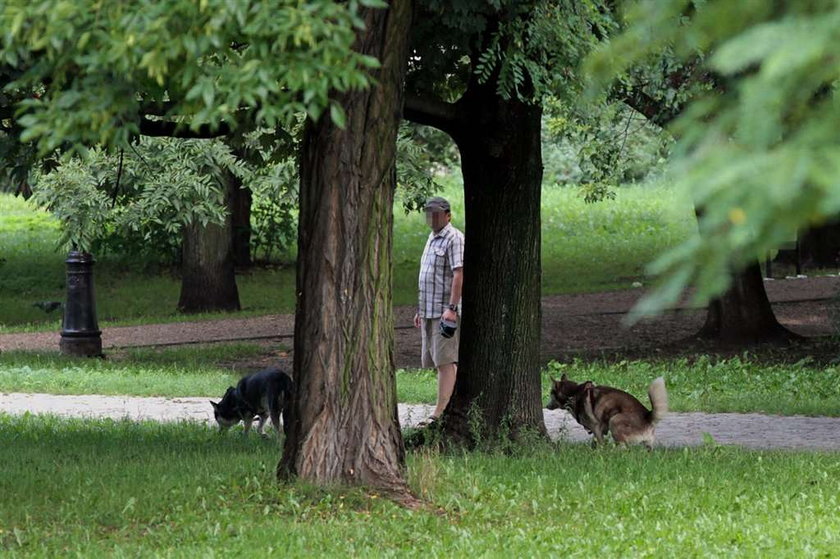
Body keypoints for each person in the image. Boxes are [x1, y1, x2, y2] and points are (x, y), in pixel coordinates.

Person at [413, 196, 464, 425]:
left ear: (447, 215)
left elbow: (458, 274)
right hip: (429, 309)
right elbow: (429, 276)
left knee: (446, 361)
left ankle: (441, 412)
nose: (432, 217)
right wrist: (420, 309)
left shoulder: (454, 238)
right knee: (437, 360)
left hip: (444, 312)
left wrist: (452, 308)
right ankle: (444, 407)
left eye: (436, 213)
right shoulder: (432, 238)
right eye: (429, 213)